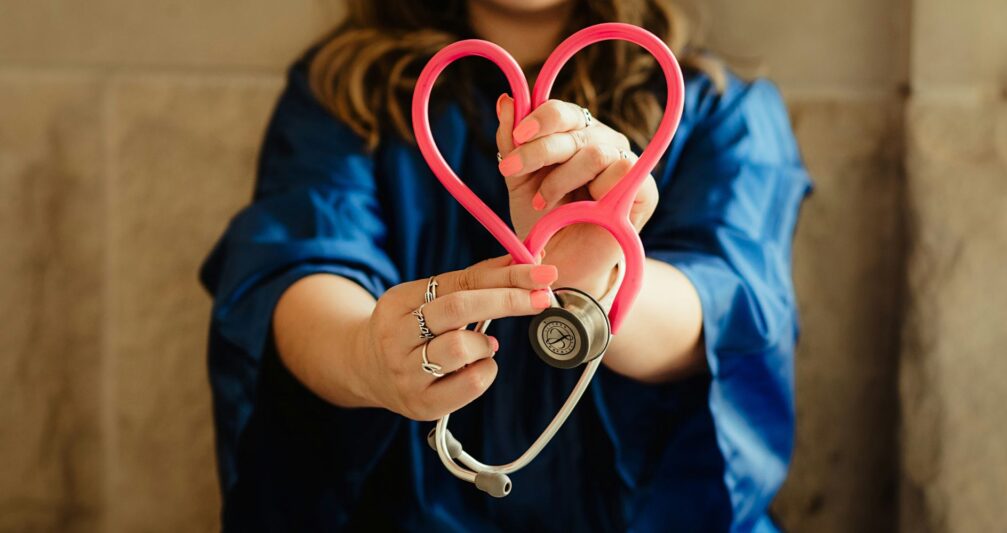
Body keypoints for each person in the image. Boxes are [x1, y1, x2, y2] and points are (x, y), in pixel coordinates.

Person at [200, 0, 811, 531]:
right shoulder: (340, 93)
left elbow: (729, 304)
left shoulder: (721, 110)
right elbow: (296, 263)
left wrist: (596, 281)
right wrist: (365, 357)